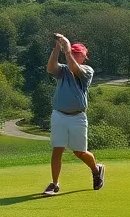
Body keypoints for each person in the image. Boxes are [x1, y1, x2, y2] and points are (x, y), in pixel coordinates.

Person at [42, 33, 104, 196]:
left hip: (77, 117)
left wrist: (67, 48)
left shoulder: (86, 71)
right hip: (59, 115)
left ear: (84, 57)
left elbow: (75, 68)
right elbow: (50, 68)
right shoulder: (62, 70)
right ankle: (54, 184)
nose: (75, 54)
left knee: (79, 152)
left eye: (78, 53)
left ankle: (96, 169)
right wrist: (57, 47)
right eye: (73, 52)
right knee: (57, 149)